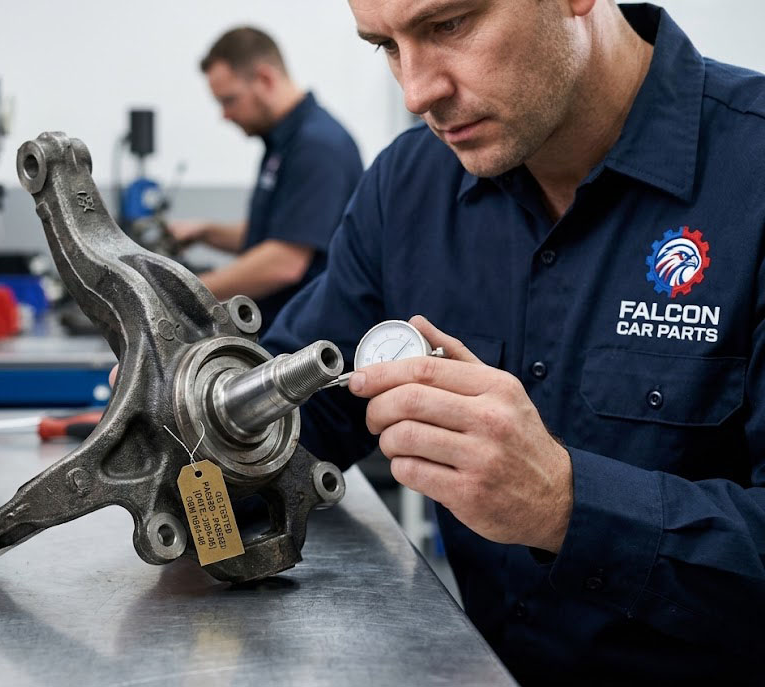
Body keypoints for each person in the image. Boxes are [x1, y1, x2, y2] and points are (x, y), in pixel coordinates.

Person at [260, 1, 765, 684]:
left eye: (450, 25)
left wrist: (565, 503)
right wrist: (193, 413)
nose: (416, 92)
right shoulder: (407, 189)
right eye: (386, 45)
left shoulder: (752, 174)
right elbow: (305, 405)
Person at [169, 27, 363, 332]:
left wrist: (183, 294)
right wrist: (205, 232)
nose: (225, 115)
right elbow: (278, 233)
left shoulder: (317, 146)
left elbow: (285, 262)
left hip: (307, 344)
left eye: (230, 100)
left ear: (265, 79)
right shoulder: (283, 142)